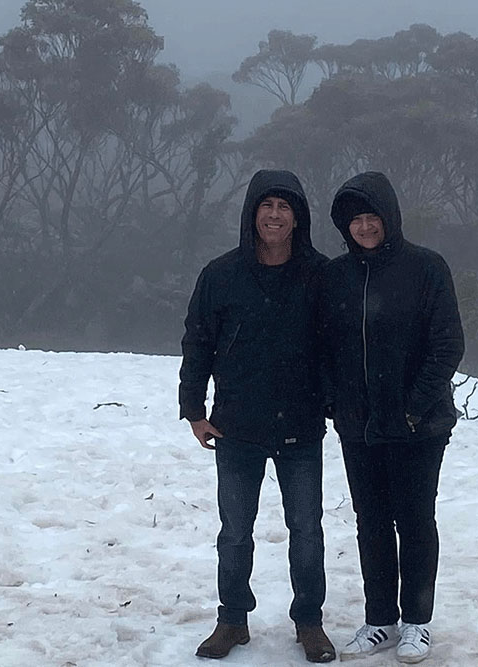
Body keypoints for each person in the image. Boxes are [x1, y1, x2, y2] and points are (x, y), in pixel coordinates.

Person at [179, 169, 335, 663]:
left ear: (298, 217)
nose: (274, 215)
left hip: (301, 426)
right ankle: (232, 620)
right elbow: (198, 341)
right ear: (252, 213)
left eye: (284, 207)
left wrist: (338, 405)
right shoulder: (221, 274)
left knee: (307, 529)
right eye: (266, 206)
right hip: (236, 425)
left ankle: (309, 621)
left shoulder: (320, 274)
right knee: (235, 531)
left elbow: (337, 347)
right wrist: (192, 409)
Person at [319, 171, 464, 664]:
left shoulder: (426, 268)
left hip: (417, 428)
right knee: (371, 523)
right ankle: (379, 619)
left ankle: (417, 623)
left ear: (390, 217)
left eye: (372, 216)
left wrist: (412, 408)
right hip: (358, 427)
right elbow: (323, 347)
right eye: (355, 218)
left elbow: (447, 346)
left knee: (416, 522)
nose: (364, 226)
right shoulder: (336, 276)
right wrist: (334, 403)